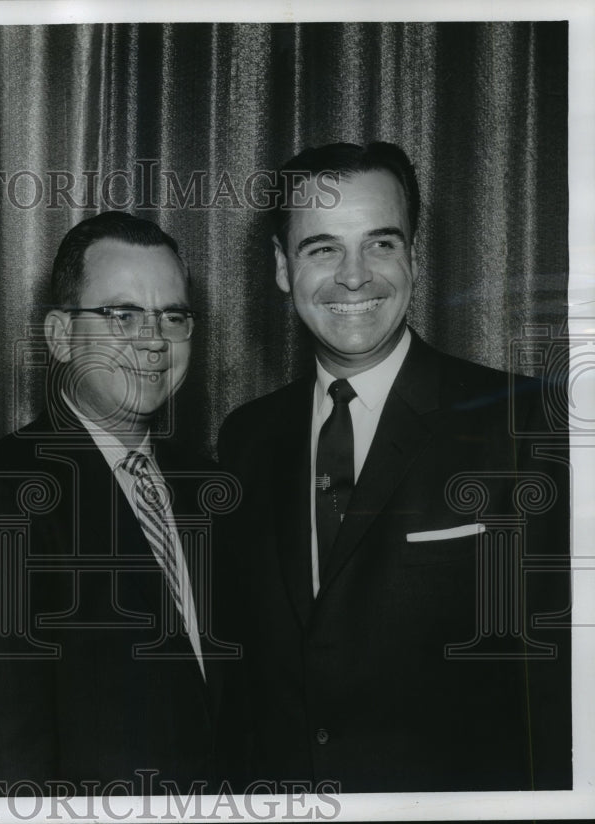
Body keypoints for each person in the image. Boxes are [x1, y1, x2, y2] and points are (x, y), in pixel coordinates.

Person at [218, 142, 571, 792]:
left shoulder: (528, 425)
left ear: (413, 254)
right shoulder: (244, 438)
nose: (355, 276)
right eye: (322, 248)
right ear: (279, 267)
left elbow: (564, 691)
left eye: (380, 243)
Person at [0, 211, 236, 794]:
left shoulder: (215, 491)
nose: (153, 340)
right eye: (122, 315)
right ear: (59, 336)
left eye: (173, 316)